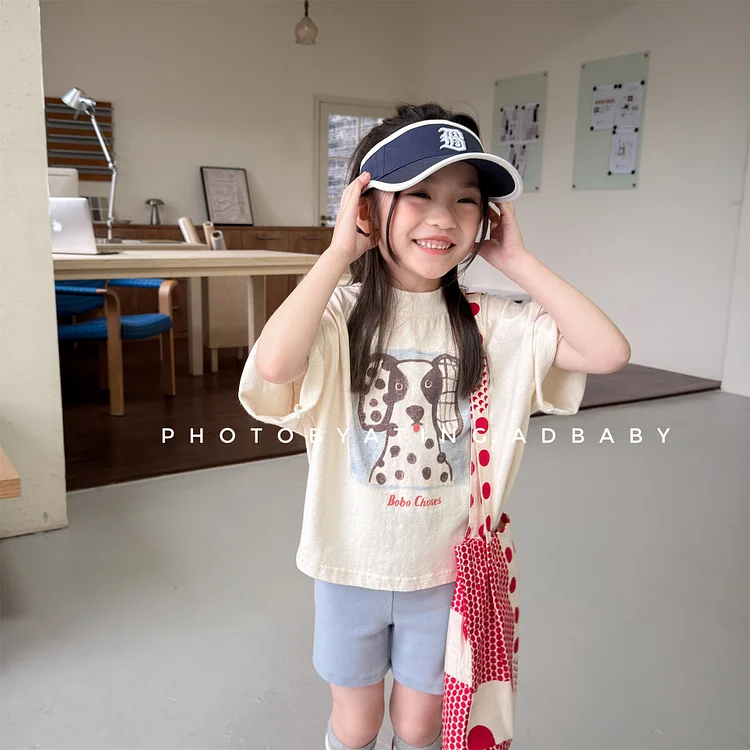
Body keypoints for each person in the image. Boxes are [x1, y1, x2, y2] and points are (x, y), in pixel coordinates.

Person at [238, 101, 631, 750]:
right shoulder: (339, 314)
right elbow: (275, 366)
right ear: (367, 208)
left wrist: (518, 262)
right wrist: (337, 254)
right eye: (418, 194)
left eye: (465, 200)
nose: (444, 218)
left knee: (420, 725)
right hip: (348, 564)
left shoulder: (492, 322)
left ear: (487, 217)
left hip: (446, 573)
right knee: (356, 722)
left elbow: (607, 352)